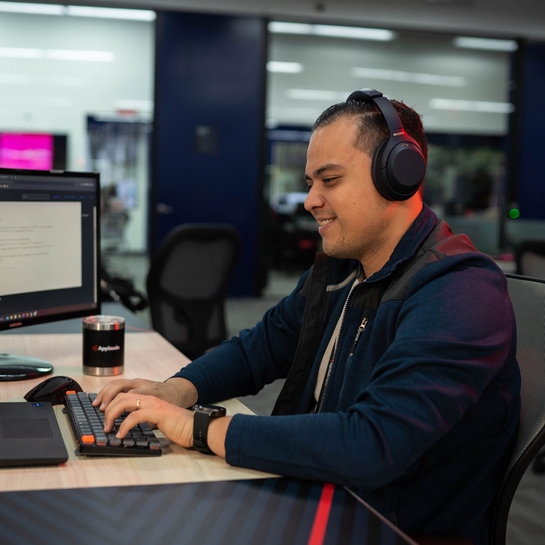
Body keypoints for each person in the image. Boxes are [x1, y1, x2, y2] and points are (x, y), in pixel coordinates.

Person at [94, 89, 520, 545]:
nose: (310, 200)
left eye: (330, 180)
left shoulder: (460, 291)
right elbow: (258, 349)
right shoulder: (341, 271)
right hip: (314, 494)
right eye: (310, 182)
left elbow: (371, 444)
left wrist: (195, 427)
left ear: (400, 175)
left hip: (385, 526)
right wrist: (175, 390)